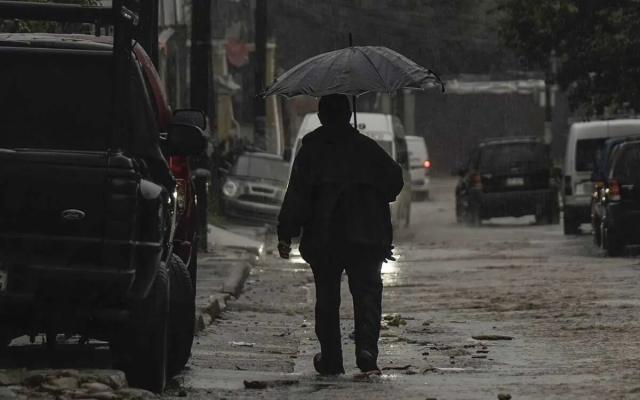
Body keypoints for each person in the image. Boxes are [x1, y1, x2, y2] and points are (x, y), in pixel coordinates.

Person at [277, 94, 404, 375]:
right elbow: (395, 179)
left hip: (325, 238)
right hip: (365, 236)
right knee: (367, 294)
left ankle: (332, 359)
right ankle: (367, 350)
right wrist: (374, 195)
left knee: (326, 299)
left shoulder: (311, 151)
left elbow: (297, 194)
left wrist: (286, 232)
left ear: (322, 117)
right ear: (349, 116)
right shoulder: (367, 148)